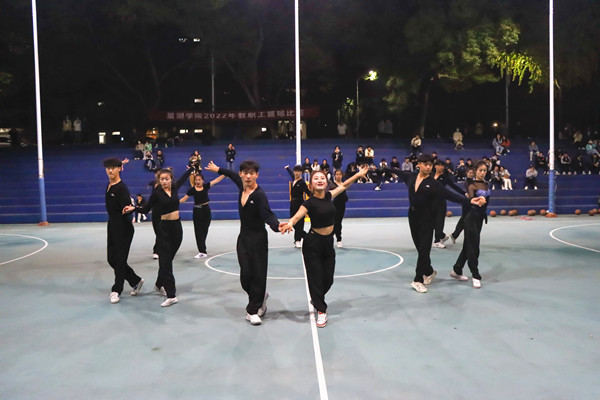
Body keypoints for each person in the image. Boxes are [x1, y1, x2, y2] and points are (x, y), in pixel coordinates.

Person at [280, 165, 368, 327]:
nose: (320, 180)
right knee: (315, 278)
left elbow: (344, 185)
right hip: (313, 244)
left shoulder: (329, 196)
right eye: (316, 178)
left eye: (322, 178)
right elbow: (297, 216)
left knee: (328, 279)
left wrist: (358, 175)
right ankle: (321, 310)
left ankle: (317, 298)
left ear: (326, 182)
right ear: (311, 184)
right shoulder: (309, 203)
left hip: (328, 243)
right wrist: (290, 223)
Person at [385, 154, 485, 293]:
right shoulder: (411, 177)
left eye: (430, 165)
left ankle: (418, 280)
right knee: (420, 248)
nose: (428, 167)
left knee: (424, 249)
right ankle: (429, 271)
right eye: (425, 164)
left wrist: (469, 201)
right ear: (418, 164)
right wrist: (383, 169)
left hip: (427, 218)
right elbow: (397, 172)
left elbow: (450, 195)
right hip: (413, 216)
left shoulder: (433, 183)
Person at [205, 160, 281, 326]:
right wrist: (217, 169)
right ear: (241, 174)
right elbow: (231, 174)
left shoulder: (259, 195)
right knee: (246, 275)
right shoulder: (241, 185)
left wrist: (277, 226)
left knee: (258, 274)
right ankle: (260, 296)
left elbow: (267, 214)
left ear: (256, 175)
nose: (248, 176)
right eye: (245, 173)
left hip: (258, 239)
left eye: (251, 173)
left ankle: (252, 311)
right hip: (244, 238)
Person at [125, 166, 193, 307]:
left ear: (171, 179)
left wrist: (191, 168)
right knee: (165, 262)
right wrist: (134, 208)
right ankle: (171, 295)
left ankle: (158, 284)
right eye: (162, 179)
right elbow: (146, 209)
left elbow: (183, 178)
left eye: (167, 179)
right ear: (159, 180)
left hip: (177, 229)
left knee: (168, 260)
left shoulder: (174, 188)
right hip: (164, 229)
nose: (164, 181)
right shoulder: (157, 193)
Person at [103, 158, 144, 304]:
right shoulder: (109, 185)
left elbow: (128, 208)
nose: (110, 170)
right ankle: (135, 280)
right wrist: (121, 164)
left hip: (123, 227)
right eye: (108, 168)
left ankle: (116, 290)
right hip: (112, 225)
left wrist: (129, 210)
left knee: (120, 261)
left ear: (119, 169)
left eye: (113, 167)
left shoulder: (121, 188)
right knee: (111, 259)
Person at [450, 160, 491, 289]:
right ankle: (475, 275)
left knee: (468, 245)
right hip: (471, 217)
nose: (483, 173)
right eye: (480, 170)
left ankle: (457, 270)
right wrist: (479, 200)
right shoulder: (471, 185)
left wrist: (484, 201)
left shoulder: (486, 184)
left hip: (479, 219)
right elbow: (471, 200)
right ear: (475, 171)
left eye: (484, 170)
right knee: (474, 247)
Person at [179, 172, 226, 259]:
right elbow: (184, 199)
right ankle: (202, 251)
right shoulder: (192, 190)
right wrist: (174, 202)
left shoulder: (206, 186)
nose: (197, 181)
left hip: (206, 210)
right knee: (198, 231)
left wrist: (224, 174)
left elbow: (216, 180)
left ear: (202, 181)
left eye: (199, 180)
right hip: (197, 210)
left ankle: (202, 245)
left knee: (205, 229)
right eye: (196, 180)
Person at [432, 160, 466, 248]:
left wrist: (464, 193)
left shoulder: (445, 177)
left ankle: (438, 240)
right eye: (439, 165)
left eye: (442, 165)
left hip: (441, 202)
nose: (441, 167)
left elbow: (454, 187)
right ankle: (441, 237)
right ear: (435, 166)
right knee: (433, 222)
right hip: (431, 202)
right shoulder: (430, 175)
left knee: (440, 221)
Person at [284, 165, 312, 248]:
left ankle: (297, 240)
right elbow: (291, 174)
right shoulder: (294, 179)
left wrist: (316, 197)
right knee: (293, 222)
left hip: (300, 204)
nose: (297, 173)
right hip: (292, 203)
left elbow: (308, 192)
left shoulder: (302, 183)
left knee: (299, 222)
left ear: (301, 172)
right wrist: (287, 168)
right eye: (295, 171)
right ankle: (306, 236)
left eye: (299, 171)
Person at [330, 169, 350, 247]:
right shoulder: (332, 185)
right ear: (335, 176)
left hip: (342, 206)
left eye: (340, 174)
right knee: (333, 222)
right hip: (334, 205)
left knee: (339, 222)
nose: (338, 176)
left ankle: (339, 239)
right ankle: (330, 238)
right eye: (337, 174)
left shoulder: (343, 184)